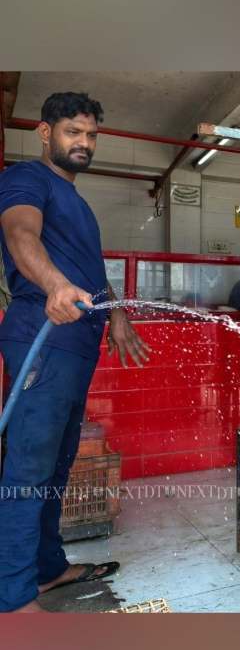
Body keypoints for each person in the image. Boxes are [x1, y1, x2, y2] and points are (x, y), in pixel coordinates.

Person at [0, 91, 150, 614]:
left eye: (90, 135)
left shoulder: (80, 206)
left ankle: (46, 570)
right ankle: (15, 602)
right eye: (72, 133)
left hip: (75, 344)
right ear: (46, 134)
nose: (84, 143)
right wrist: (55, 286)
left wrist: (116, 312)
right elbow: (22, 235)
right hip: (41, 334)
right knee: (28, 468)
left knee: (57, 464)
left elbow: (91, 269)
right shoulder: (26, 179)